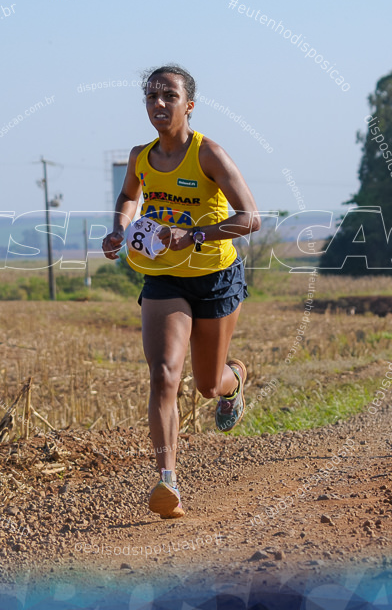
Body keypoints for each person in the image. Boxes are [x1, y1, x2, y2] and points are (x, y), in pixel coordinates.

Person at [102, 65, 260, 519]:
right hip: (165, 276)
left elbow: (251, 218)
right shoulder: (140, 156)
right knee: (165, 374)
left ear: (188, 105)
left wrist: (193, 236)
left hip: (214, 274)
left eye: (169, 95)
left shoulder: (209, 154)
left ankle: (236, 378)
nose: (158, 103)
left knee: (208, 385)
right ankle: (166, 480)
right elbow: (129, 196)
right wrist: (120, 228)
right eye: (151, 96)